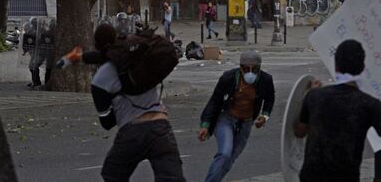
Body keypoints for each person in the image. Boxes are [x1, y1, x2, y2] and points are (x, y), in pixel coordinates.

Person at [90, 23, 186, 182]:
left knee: (112, 174)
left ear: (96, 45)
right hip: (160, 126)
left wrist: (118, 100)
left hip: (131, 131)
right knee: (172, 178)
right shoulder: (140, 58)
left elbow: (107, 122)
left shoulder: (100, 79)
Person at [294, 39, 381, 182]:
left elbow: (299, 131)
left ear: (336, 66)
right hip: (347, 177)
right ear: (362, 67)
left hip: (311, 176)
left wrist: (307, 98)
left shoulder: (315, 96)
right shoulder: (369, 104)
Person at [198, 51, 275, 182]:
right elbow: (215, 101)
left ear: (259, 68)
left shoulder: (265, 80)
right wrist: (205, 124)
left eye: (254, 69)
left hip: (246, 122)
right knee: (225, 153)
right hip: (226, 119)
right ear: (240, 67)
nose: (250, 72)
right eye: (246, 69)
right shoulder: (228, 78)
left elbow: (270, 99)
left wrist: (264, 116)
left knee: (230, 159)